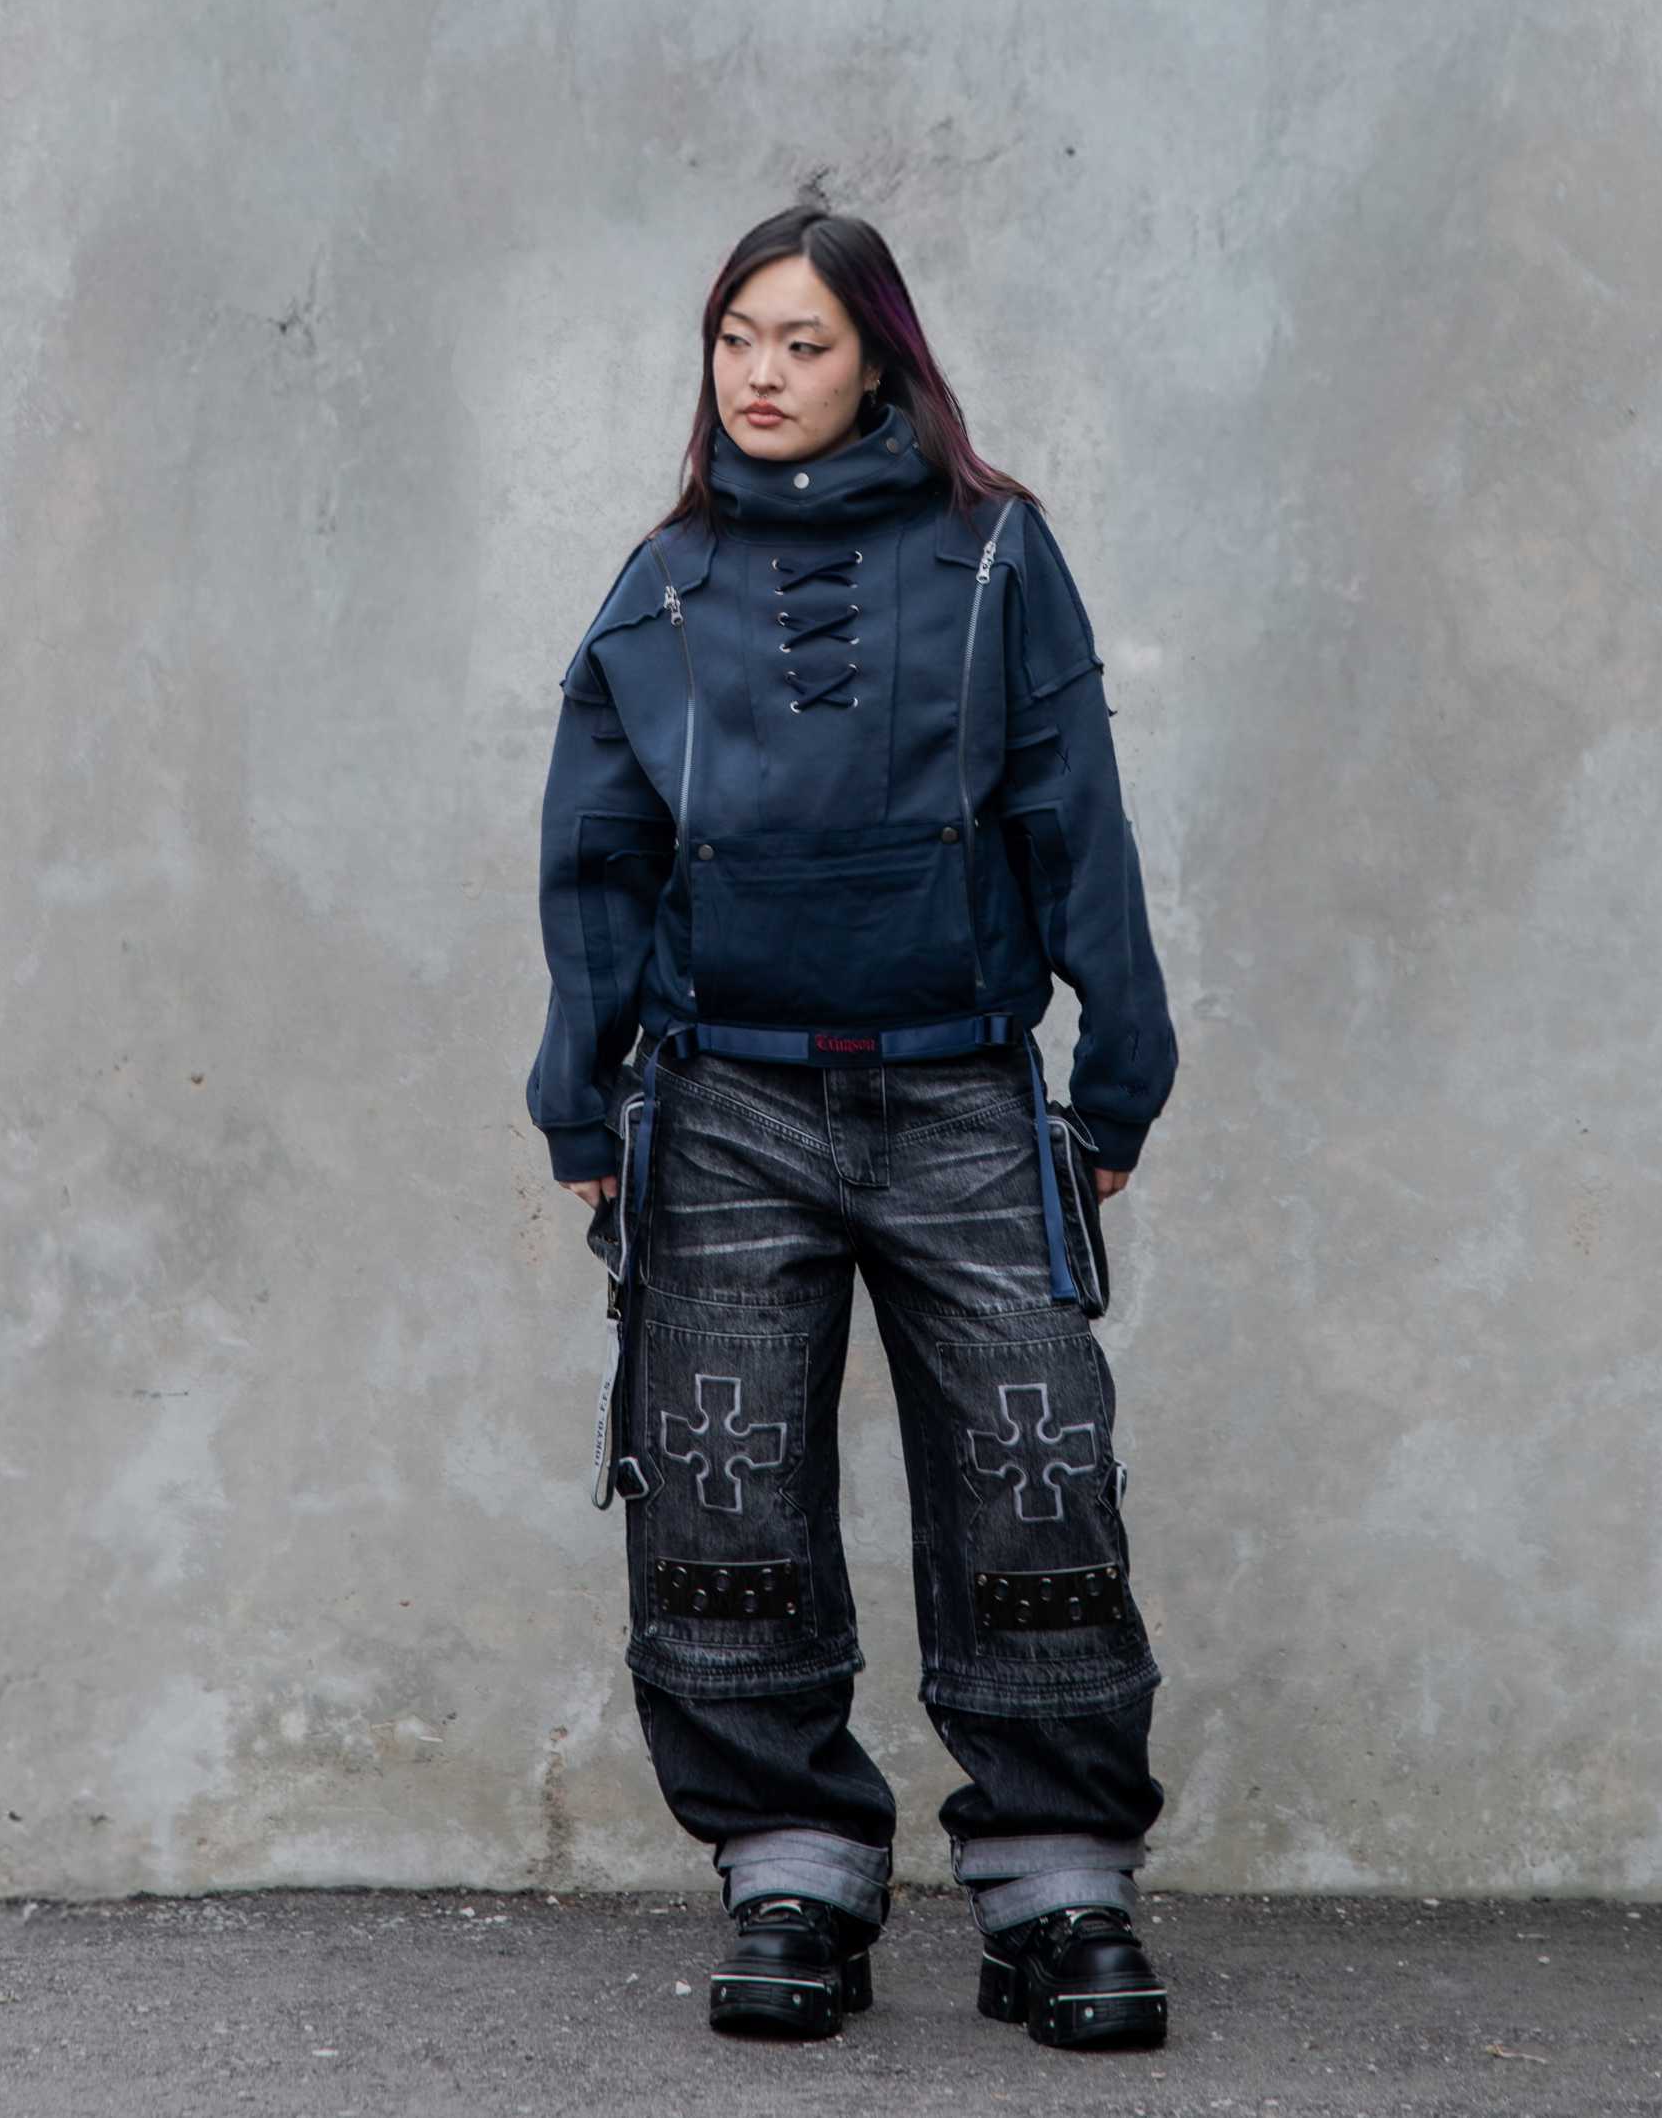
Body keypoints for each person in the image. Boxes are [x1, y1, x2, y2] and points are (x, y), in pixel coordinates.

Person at [526, 205, 1180, 2051]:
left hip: (963, 1092)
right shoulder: (662, 584)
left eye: (803, 341)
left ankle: (1058, 1882)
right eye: (736, 336)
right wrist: (582, 1092)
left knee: (1039, 1468)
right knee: (722, 1492)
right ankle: (793, 1868)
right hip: (724, 1104)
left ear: (881, 357)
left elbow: (1076, 809)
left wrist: (1120, 1067)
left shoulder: (996, 556)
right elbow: (596, 852)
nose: (761, 372)